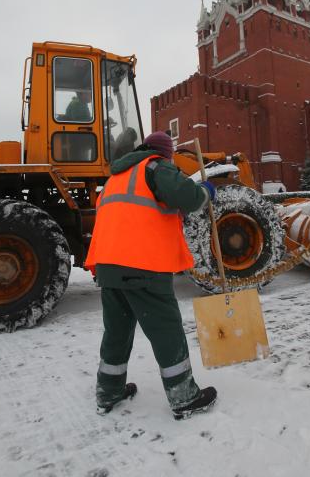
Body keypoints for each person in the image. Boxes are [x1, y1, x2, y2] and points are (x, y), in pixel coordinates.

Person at [85, 131, 217, 420]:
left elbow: (133, 214)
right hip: (141, 265)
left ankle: (109, 392)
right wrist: (207, 189)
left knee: (117, 331)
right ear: (164, 153)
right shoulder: (156, 166)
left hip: (108, 264)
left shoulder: (115, 178)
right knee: (166, 330)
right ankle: (184, 398)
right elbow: (190, 197)